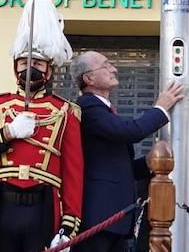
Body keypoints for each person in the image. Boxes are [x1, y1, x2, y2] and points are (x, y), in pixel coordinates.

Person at [0, 0, 84, 252]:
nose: (31, 68)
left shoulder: (65, 111)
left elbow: (73, 173)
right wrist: (8, 132)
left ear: (49, 71)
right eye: (24, 63)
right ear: (15, 67)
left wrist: (69, 224)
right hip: (2, 204)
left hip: (43, 205)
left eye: (38, 63)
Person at [72, 50, 183, 252]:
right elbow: (131, 131)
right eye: (105, 66)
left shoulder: (104, 111)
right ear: (89, 79)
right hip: (99, 217)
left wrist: (148, 162)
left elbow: (121, 168)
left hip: (117, 219)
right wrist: (161, 108)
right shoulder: (88, 107)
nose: (114, 69)